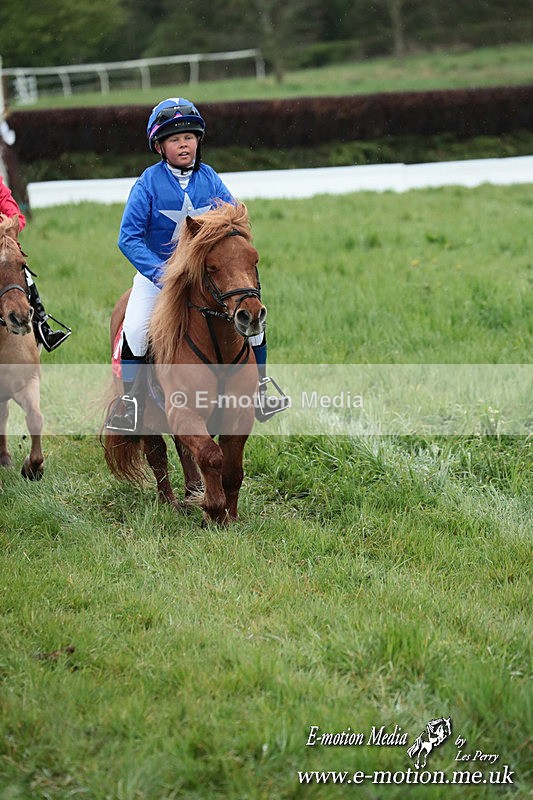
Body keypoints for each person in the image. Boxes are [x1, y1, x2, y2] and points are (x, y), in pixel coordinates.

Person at [106, 97, 289, 434]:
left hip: (207, 278)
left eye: (189, 137)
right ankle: (129, 402)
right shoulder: (147, 183)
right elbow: (128, 238)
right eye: (175, 139)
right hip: (158, 275)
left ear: (198, 141)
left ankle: (261, 391)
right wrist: (163, 275)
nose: (184, 144)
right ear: (160, 147)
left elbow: (235, 221)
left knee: (255, 324)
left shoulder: (210, 179)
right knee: (135, 330)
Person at [0, 175, 71, 351]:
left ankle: (43, 327)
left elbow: (17, 216)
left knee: (24, 275)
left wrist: (8, 227)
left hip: (3, 245)